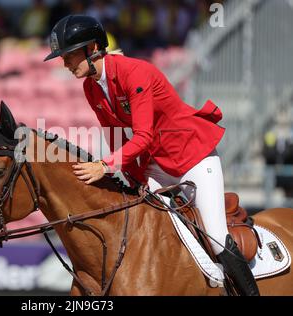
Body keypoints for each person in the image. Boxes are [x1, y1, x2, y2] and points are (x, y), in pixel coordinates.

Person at [44, 14, 259, 296]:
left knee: (217, 238)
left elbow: (143, 136)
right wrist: (132, 178)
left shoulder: (136, 73)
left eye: (70, 55)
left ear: (93, 48)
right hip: (156, 167)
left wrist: (104, 166)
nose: (65, 63)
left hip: (193, 159)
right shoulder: (91, 87)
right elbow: (115, 136)